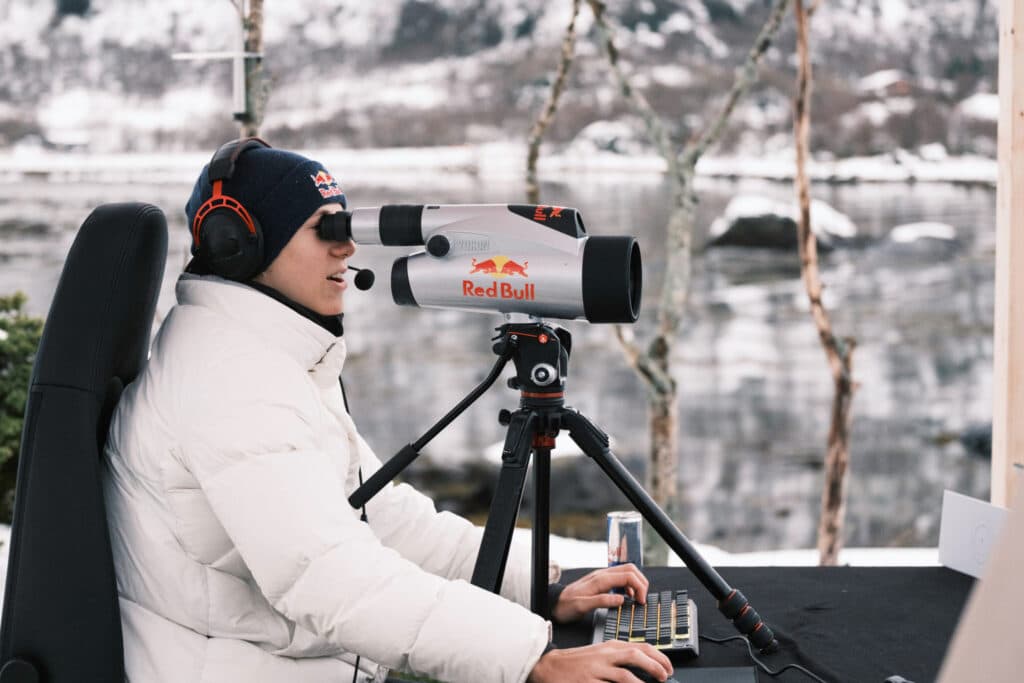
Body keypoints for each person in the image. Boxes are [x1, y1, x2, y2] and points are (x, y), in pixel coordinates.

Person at [101, 138, 674, 683]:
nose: (346, 247)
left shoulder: (263, 353)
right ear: (239, 243)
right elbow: (327, 578)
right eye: (322, 229)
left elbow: (381, 519)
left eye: (345, 226)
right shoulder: (229, 381)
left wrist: (537, 592)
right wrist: (529, 658)